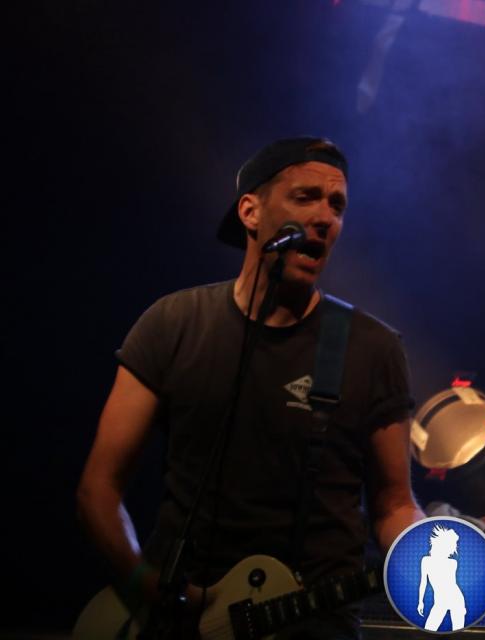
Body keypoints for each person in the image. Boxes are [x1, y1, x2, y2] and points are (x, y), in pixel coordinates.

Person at [76, 136, 426, 639]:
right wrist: (143, 584)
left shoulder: (373, 348)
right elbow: (98, 488)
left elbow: (393, 504)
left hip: (311, 620)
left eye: (337, 205)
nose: (325, 218)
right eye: (305, 197)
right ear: (250, 212)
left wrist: (430, 549)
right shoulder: (173, 324)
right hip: (177, 618)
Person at [417, 524, 466, 631]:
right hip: (440, 601)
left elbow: (451, 584)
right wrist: (420, 602)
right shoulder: (426, 561)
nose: (453, 548)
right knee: (429, 629)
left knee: (459, 632)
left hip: (456, 599)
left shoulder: (452, 563)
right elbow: (423, 583)